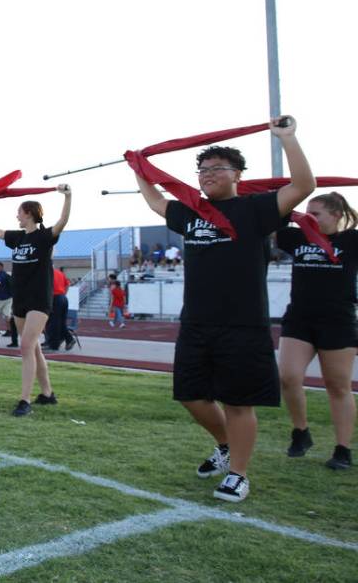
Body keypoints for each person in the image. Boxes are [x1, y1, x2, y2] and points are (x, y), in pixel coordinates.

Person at [135, 116, 314, 502]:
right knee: (190, 395)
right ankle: (225, 444)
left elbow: (303, 186)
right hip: (197, 323)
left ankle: (239, 473)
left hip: (242, 324)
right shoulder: (192, 213)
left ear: (237, 175)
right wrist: (139, 167)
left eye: (217, 168)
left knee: (237, 402)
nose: (207, 175)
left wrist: (287, 139)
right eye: (202, 170)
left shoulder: (256, 210)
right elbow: (155, 200)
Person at [276, 192, 357, 470]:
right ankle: (301, 431)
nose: (308, 219)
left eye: (316, 214)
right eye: (306, 213)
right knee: (288, 377)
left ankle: (342, 449)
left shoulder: (352, 241)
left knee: (338, 386)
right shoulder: (296, 238)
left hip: (338, 321)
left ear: (336, 215)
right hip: (299, 319)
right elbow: (276, 215)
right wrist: (295, 209)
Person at [0, 186, 71, 415]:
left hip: (39, 300)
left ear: (29, 213)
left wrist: (67, 196)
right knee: (34, 349)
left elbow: (62, 221)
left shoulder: (43, 237)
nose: (17, 216)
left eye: (19, 212)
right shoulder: (17, 237)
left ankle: (25, 401)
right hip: (19, 299)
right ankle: (47, 394)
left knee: (26, 346)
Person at [44, 265, 75, 351]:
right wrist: (63, 294)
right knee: (60, 322)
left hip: (54, 298)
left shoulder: (46, 273)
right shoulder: (60, 273)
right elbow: (68, 284)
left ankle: (54, 345)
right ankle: (68, 339)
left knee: (53, 323)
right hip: (62, 298)